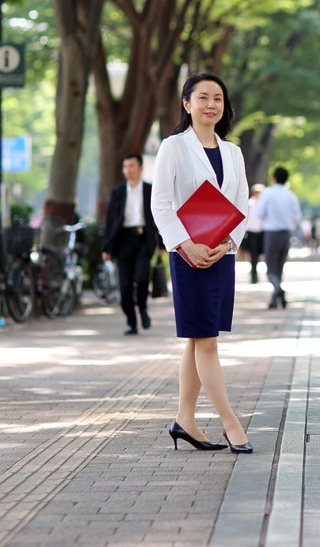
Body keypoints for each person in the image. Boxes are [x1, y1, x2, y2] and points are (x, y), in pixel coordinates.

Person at [151, 72, 252, 454]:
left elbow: (241, 202)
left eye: (218, 99)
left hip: (221, 254)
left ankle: (185, 420)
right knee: (207, 342)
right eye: (203, 97)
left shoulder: (233, 152)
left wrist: (227, 244)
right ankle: (231, 423)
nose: (211, 104)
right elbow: (161, 202)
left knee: (198, 339)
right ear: (187, 104)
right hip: (188, 257)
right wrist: (184, 244)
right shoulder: (174, 146)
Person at [103, 153, 161, 335]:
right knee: (125, 285)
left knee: (142, 278)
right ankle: (131, 321)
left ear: (140, 168)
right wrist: (107, 248)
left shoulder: (150, 190)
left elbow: (160, 218)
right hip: (123, 241)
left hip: (144, 240)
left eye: (132, 166)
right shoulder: (118, 192)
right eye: (125, 166)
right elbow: (110, 220)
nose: (128, 170)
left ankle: (142, 308)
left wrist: (162, 246)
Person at [251, 166, 301, 309]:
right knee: (279, 267)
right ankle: (276, 299)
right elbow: (297, 216)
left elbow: (259, 213)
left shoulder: (267, 193)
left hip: (271, 234)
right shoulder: (291, 196)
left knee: (270, 268)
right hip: (286, 234)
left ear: (273, 178)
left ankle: (278, 289)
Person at [245, 184, 265, 284]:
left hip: (262, 232)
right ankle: (254, 276)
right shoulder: (249, 204)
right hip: (251, 233)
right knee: (253, 255)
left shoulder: (263, 204)